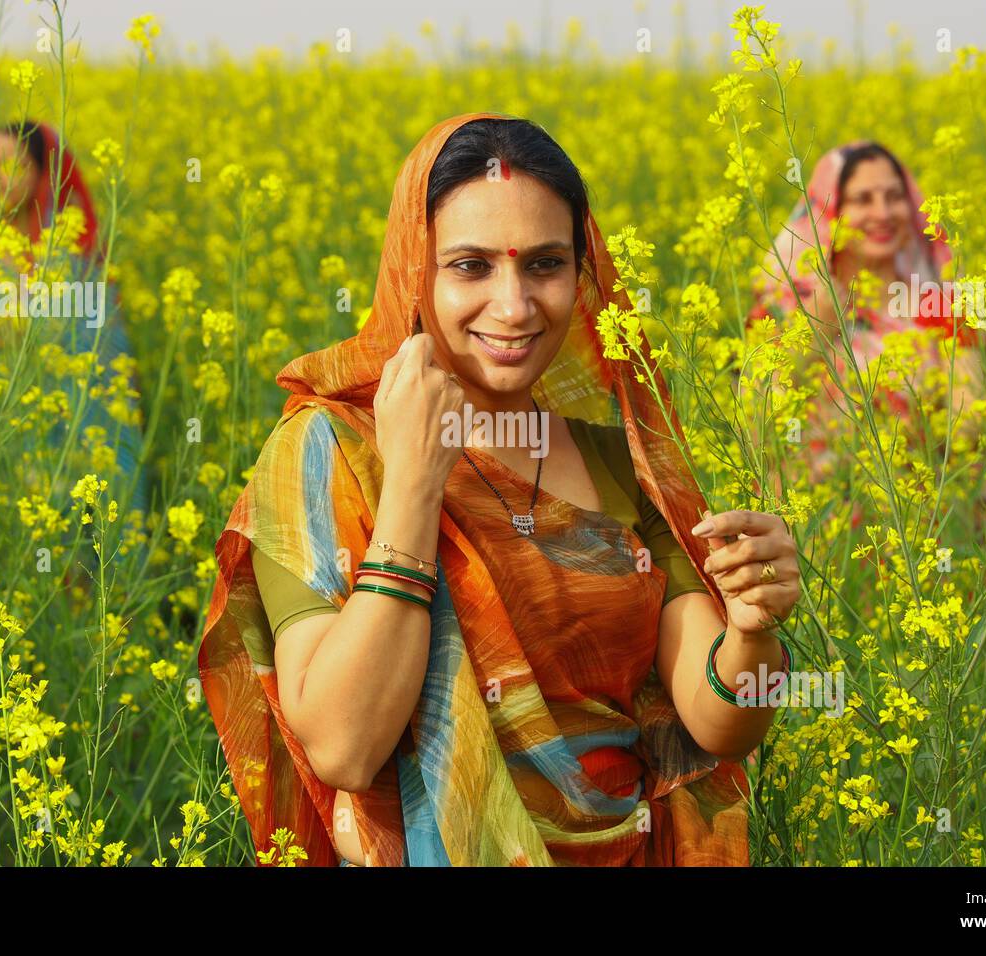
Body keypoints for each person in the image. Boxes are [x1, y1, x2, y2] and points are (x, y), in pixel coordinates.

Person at [197, 113, 802, 867]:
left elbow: (718, 726)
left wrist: (751, 629)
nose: (514, 306)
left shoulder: (619, 459)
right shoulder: (331, 451)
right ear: (413, 271)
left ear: (582, 275)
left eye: (545, 265)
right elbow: (344, 749)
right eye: (472, 266)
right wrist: (414, 486)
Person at [0, 119, 151, 542]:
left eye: (12, 166)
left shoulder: (75, 252)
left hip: (74, 436)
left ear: (44, 177)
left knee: (86, 561)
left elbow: (110, 362)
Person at [746, 140, 983, 481]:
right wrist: (818, 326)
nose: (883, 213)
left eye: (894, 197)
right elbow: (758, 431)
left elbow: (969, 429)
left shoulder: (942, 299)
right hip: (807, 519)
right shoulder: (787, 303)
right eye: (862, 200)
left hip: (919, 519)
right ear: (830, 212)